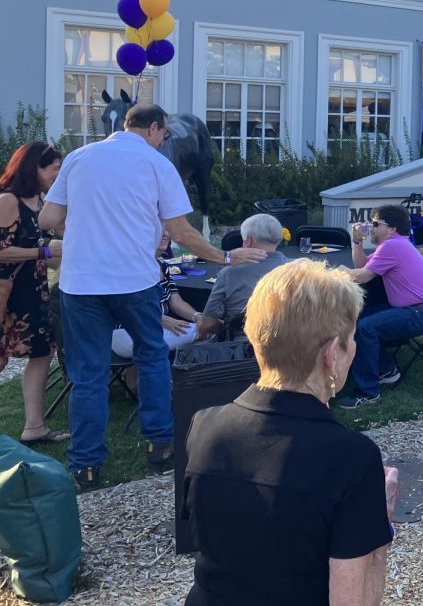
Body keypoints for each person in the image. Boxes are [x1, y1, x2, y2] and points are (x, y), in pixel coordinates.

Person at [38, 102, 265, 490]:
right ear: (155, 129)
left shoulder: (78, 157)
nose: (164, 141)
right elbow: (181, 231)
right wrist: (225, 256)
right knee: (152, 357)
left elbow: (48, 220)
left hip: (80, 281)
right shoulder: (157, 164)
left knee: (88, 374)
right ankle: (160, 442)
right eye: (164, 135)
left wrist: (86, 230)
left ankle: (86, 466)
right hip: (134, 280)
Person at [181, 259, 399, 606]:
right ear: (331, 354)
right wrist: (381, 523)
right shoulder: (351, 459)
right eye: (352, 338)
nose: (353, 348)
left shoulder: (205, 425)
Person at [340, 204, 423, 408]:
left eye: (375, 223)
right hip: (416, 309)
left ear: (392, 228)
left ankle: (368, 392)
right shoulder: (395, 244)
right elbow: (363, 266)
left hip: (421, 312)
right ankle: (386, 369)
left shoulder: (392, 246)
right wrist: (357, 241)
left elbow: (361, 276)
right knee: (359, 318)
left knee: (366, 327)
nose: (371, 227)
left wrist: (336, 271)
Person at [0, 142, 66, 446]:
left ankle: (34, 426)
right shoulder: (8, 200)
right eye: (53, 168)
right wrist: (42, 251)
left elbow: (53, 242)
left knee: (42, 353)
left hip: (34, 290)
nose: (57, 174)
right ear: (34, 167)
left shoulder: (40, 201)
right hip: (8, 292)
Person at [112, 231, 199, 381]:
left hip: (151, 326)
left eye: (167, 229)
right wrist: (161, 319)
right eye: (158, 229)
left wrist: (198, 316)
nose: (165, 234)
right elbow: (124, 304)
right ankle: (184, 381)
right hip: (125, 331)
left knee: (203, 325)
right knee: (206, 331)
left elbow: (176, 302)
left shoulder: (162, 265)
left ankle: (137, 377)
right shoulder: (130, 266)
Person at [197, 213, 289, 341]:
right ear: (279, 239)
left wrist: (225, 331)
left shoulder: (229, 274)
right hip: (290, 345)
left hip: (243, 349)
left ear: (249, 240)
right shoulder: (298, 269)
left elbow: (207, 323)